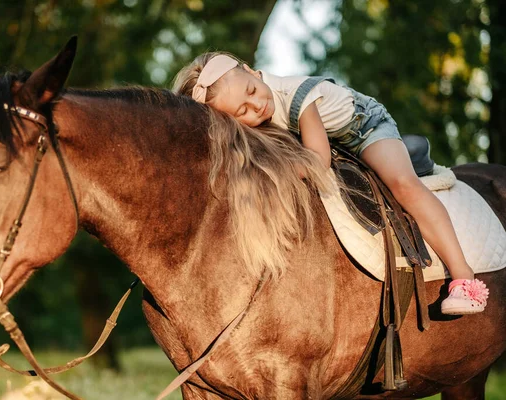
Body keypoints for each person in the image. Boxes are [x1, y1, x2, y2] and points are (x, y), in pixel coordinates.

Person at [172, 52, 490, 315]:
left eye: (252, 93)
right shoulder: (255, 117)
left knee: (403, 184)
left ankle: (464, 278)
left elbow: (318, 160)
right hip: (326, 140)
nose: (257, 107)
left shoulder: (296, 94)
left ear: (250, 71)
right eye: (242, 112)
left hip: (364, 129)